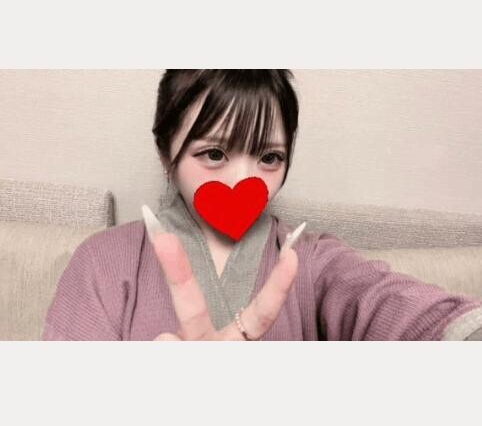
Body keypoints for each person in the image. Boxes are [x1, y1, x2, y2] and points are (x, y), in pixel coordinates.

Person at [42, 70, 482, 341]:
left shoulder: (310, 261)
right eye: (214, 153)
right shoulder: (101, 262)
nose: (244, 181)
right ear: (165, 154)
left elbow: (387, 303)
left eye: (269, 157)